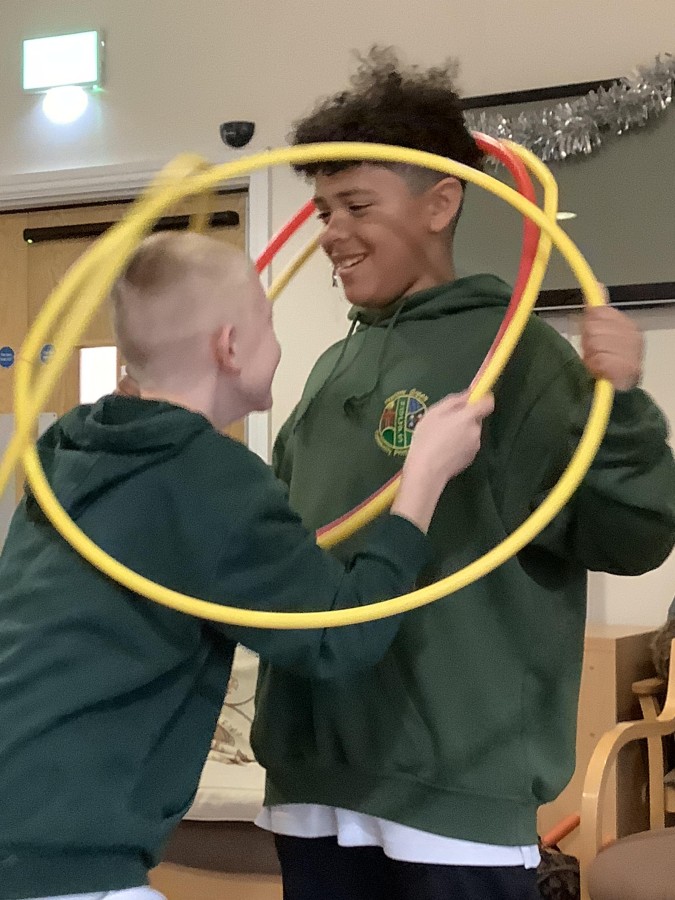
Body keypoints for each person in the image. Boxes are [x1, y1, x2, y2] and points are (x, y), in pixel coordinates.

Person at [251, 47, 675, 900]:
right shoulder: (332, 365)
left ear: (440, 203)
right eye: (324, 209)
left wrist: (623, 404)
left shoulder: (519, 358)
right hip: (310, 784)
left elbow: (634, 537)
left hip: (453, 798)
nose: (331, 232)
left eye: (357, 205)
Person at [0, 230, 493, 900]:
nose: (277, 344)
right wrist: (422, 481)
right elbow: (339, 634)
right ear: (230, 347)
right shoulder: (209, 477)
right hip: (64, 856)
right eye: (268, 322)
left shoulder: (70, 446)